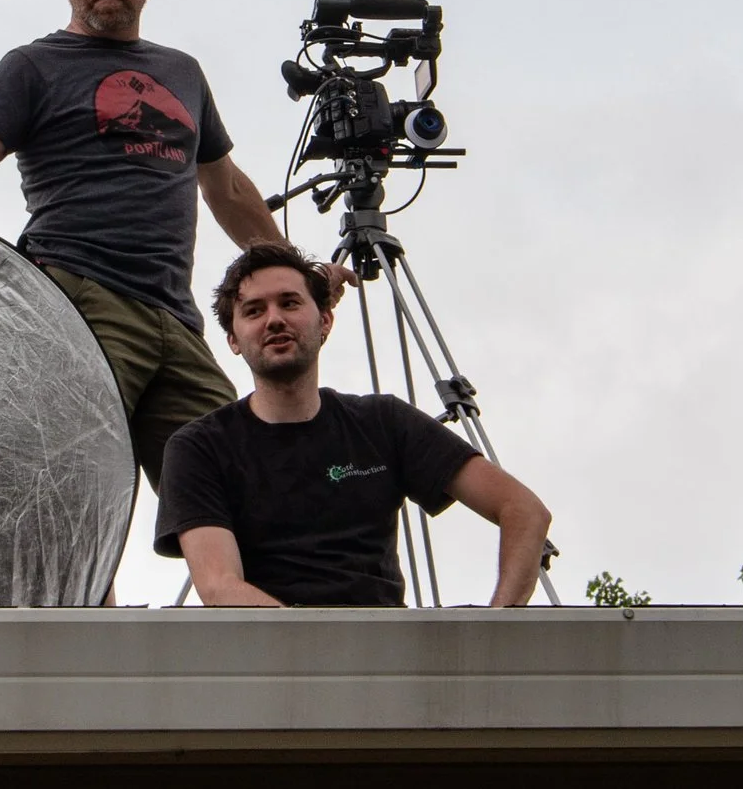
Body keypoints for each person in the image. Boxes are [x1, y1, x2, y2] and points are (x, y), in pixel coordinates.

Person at [0, 0, 299, 493]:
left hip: (177, 319)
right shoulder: (33, 65)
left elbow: (225, 186)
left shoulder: (182, 72)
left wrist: (291, 266)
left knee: (240, 488)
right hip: (80, 298)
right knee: (64, 480)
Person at [155, 243, 552, 607]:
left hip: (387, 649)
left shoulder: (383, 422)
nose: (274, 319)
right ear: (233, 339)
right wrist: (321, 650)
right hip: (268, 653)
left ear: (325, 321)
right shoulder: (200, 447)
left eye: (289, 303)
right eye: (254, 311)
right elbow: (220, 586)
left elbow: (524, 510)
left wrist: (498, 627)